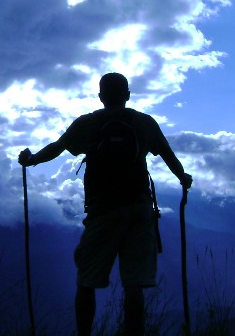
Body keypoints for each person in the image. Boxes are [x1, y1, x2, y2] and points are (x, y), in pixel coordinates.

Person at [18, 72, 192, 336]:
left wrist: (31, 161)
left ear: (100, 96)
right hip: (139, 210)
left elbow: (58, 147)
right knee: (134, 284)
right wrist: (183, 177)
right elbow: (168, 155)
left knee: (86, 280)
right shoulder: (145, 123)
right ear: (128, 95)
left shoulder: (88, 123)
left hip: (103, 211)